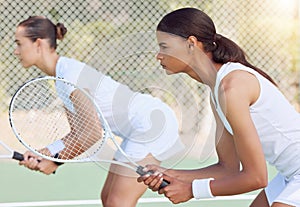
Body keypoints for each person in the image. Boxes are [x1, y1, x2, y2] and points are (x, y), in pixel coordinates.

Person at [14, 16, 184, 207]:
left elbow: (92, 133)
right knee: (108, 198)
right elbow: (77, 134)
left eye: (19, 44)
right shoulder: (62, 76)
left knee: (117, 202)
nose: (15, 51)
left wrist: (55, 160)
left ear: (38, 44)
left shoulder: (70, 75)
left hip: (150, 124)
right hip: (137, 129)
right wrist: (45, 153)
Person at [137, 7, 300, 207]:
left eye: (165, 46)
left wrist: (192, 190)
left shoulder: (231, 88)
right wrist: (170, 174)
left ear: (191, 44)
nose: (159, 55)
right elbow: (228, 168)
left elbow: (256, 178)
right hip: (291, 174)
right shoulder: (216, 91)